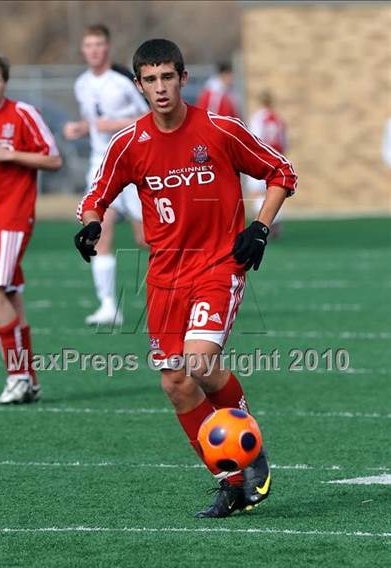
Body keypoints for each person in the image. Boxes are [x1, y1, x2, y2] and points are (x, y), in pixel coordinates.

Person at [75, 39, 297, 517]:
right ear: (138, 84)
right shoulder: (128, 144)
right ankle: (231, 481)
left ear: (182, 79)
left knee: (198, 363)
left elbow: (281, 171)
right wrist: (91, 223)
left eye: (167, 77)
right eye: (150, 80)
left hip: (218, 265)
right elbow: (97, 195)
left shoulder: (219, 129)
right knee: (175, 382)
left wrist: (258, 228)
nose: (160, 88)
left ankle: (250, 448)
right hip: (164, 277)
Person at [0, 51, 62, 404]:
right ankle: (29, 381)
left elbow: (54, 158)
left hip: (10, 217)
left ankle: (18, 375)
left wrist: (10, 154)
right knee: (9, 298)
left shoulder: (22, 114)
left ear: (4, 83)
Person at [64, 24, 148, 326]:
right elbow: (93, 120)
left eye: (99, 44)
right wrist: (80, 128)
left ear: (107, 47)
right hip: (101, 167)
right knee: (99, 230)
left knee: (147, 239)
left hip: (133, 167)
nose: (94, 50)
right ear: (83, 50)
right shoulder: (81, 84)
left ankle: (183, 287)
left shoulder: (124, 81)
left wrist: (114, 124)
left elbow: (148, 116)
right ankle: (109, 305)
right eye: (88, 45)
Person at [247, 90, 288, 238]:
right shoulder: (277, 119)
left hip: (261, 159)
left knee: (257, 193)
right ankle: (275, 223)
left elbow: (254, 139)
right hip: (276, 159)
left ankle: (264, 224)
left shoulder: (258, 118)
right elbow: (284, 143)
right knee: (275, 191)